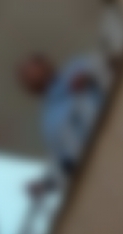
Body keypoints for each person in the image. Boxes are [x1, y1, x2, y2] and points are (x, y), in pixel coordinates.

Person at [17, 52, 112, 198]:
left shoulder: (78, 67)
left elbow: (117, 67)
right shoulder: (48, 124)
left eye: (33, 68)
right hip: (103, 164)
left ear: (45, 63)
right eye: (28, 76)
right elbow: (66, 165)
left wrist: (90, 78)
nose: (34, 75)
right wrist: (45, 185)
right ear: (29, 89)